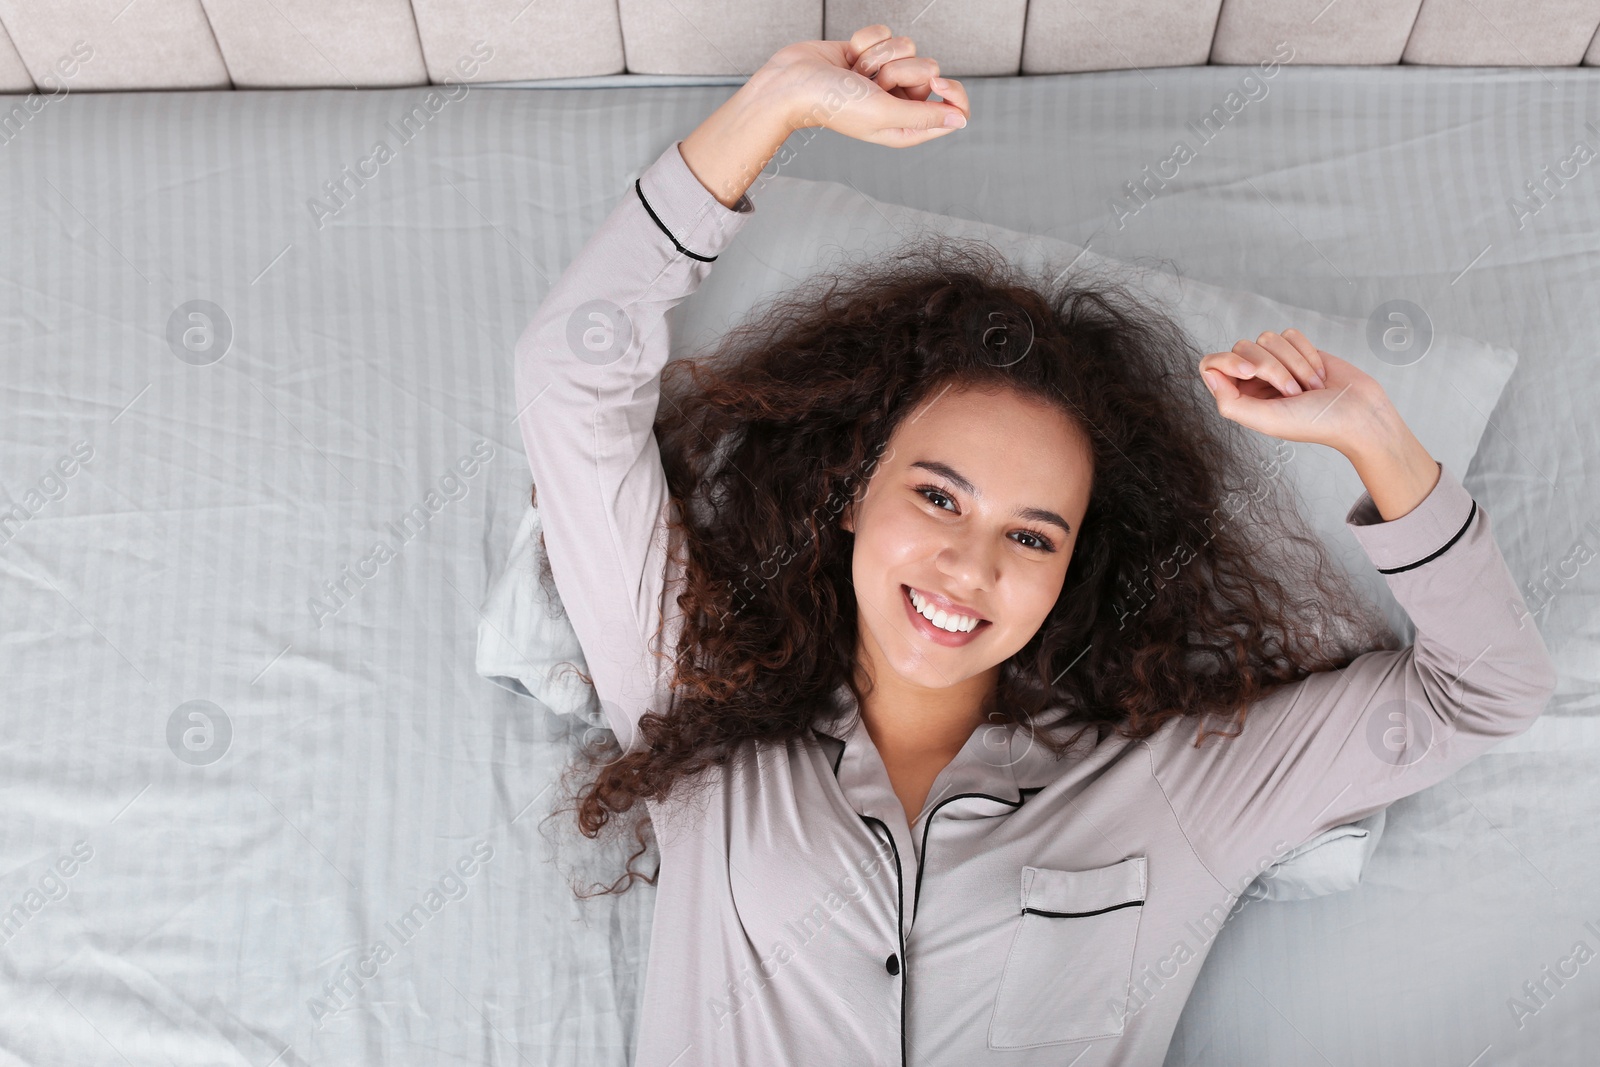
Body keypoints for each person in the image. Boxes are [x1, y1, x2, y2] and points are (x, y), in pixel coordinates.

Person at [511, 24, 1556, 1067]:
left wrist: (1371, 434)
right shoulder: (707, 720)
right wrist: (775, 103)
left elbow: (1482, 690)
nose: (972, 566)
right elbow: (570, 381)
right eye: (936, 496)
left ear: (1070, 571)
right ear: (848, 495)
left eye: (1031, 533)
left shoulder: (1169, 790)